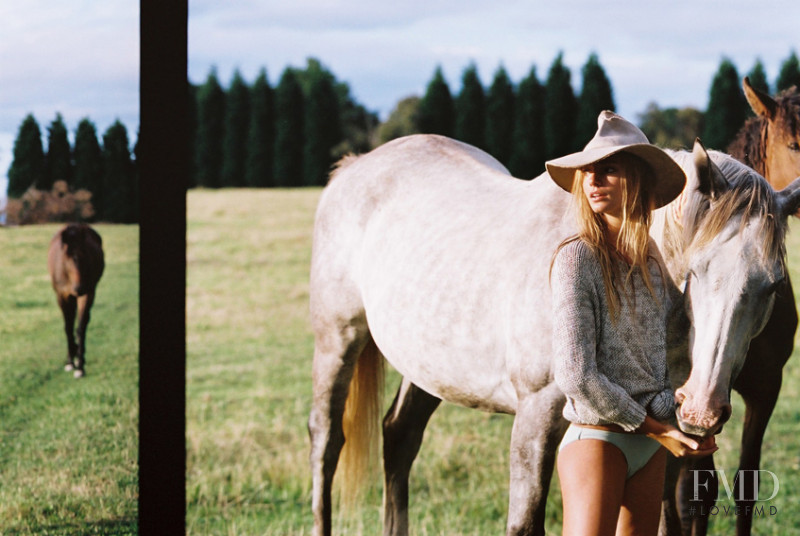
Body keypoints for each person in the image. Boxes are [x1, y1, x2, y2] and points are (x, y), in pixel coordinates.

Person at [547, 111, 718, 535]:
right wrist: (658, 430)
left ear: (637, 179)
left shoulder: (652, 264)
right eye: (588, 172)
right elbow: (577, 376)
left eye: (608, 170)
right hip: (598, 438)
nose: (593, 181)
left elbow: (675, 348)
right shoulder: (578, 258)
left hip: (650, 445)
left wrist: (688, 422)